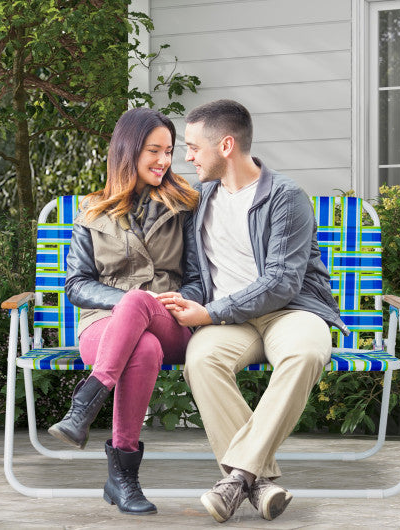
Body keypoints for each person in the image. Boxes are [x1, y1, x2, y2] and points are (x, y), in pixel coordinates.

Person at [158, 99, 349, 523]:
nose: (186, 157)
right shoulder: (199, 201)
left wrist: (208, 313)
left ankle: (239, 476)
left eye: (193, 147)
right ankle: (259, 483)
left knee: (306, 353)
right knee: (202, 359)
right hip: (229, 320)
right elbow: (192, 270)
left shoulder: (286, 197)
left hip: (291, 311)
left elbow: (281, 282)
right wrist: (191, 302)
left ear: (225, 145)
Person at [48, 107, 200, 516]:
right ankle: (123, 480)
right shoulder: (92, 212)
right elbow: (76, 284)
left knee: (144, 316)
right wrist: (130, 303)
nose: (165, 161)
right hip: (105, 327)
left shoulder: (184, 204)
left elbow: (200, 278)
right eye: (155, 150)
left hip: (173, 320)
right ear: (128, 150)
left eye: (169, 151)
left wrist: (174, 301)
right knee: (142, 343)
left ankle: (87, 402)